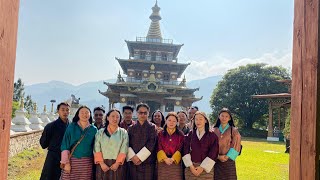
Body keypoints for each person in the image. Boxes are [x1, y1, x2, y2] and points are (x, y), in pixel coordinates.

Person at [60, 106, 98, 180]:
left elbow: (96, 147)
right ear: (78, 114)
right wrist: (66, 163)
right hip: (72, 160)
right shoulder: (72, 127)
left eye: (87, 112)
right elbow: (65, 145)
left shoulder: (94, 129)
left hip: (87, 162)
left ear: (90, 114)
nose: (84, 114)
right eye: (82, 113)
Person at [182, 111, 219, 179]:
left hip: (206, 169)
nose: (198, 121)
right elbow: (185, 150)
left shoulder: (212, 136)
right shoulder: (190, 134)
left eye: (200, 119)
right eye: (196, 119)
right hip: (191, 168)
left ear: (205, 120)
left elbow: (213, 153)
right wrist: (191, 167)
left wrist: (202, 167)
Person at [94, 108, 128, 180]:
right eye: (113, 116)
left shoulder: (123, 132)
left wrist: (117, 163)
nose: (115, 119)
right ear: (107, 117)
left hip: (117, 164)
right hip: (102, 163)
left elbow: (124, 148)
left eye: (117, 117)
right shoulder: (100, 132)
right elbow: (96, 147)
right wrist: (101, 163)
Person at [39, 102, 70, 180]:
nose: (65, 112)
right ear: (58, 111)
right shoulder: (50, 126)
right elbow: (43, 144)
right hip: (53, 158)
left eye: (67, 110)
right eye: (62, 110)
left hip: (68, 159)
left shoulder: (72, 127)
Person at [127, 103, 157, 180]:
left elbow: (151, 143)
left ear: (148, 114)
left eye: (145, 113)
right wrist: (133, 157)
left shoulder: (152, 127)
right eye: (140, 112)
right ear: (137, 113)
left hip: (148, 163)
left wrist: (139, 157)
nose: (143, 115)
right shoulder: (131, 128)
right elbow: (127, 143)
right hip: (133, 162)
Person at [212, 108, 241, 180]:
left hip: (229, 161)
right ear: (219, 116)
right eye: (222, 116)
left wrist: (227, 157)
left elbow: (236, 145)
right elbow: (210, 145)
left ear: (229, 118)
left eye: (226, 116)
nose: (224, 118)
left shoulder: (234, 130)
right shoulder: (213, 130)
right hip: (215, 161)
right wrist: (218, 156)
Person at [157, 112, 184, 180]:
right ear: (166, 121)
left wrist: (173, 159)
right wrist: (165, 158)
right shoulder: (160, 134)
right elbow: (158, 146)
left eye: (174, 121)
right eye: (169, 120)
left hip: (175, 162)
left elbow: (181, 148)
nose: (171, 123)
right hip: (163, 162)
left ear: (177, 122)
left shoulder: (180, 134)